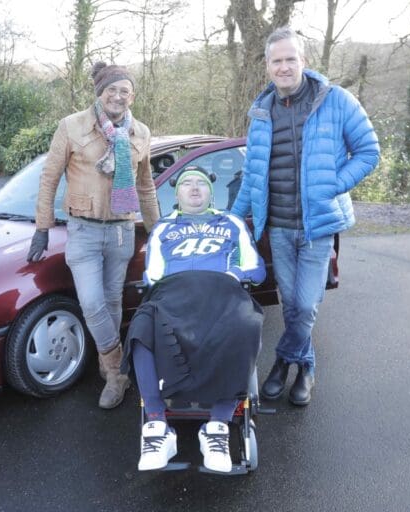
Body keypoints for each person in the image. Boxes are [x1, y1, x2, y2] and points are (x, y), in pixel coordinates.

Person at [230, 27, 380, 406]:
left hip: (318, 226)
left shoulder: (336, 101)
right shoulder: (261, 113)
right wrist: (231, 220)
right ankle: (306, 365)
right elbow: (251, 178)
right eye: (276, 61)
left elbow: (368, 151)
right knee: (291, 303)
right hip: (278, 227)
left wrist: (334, 184)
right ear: (267, 66)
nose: (284, 67)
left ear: (304, 61)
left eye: (290, 59)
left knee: (306, 303)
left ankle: (283, 362)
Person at [26, 62, 160, 409]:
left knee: (114, 302)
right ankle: (117, 372)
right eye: (111, 90)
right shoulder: (71, 126)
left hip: (121, 232)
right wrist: (42, 227)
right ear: (99, 93)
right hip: (83, 230)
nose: (118, 96)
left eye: (124, 91)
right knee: (91, 302)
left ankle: (105, 365)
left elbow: (145, 187)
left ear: (132, 96)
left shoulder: (141, 133)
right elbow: (49, 178)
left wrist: (158, 232)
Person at [121, 165, 266, 473]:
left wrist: (231, 274)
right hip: (175, 295)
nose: (195, 187)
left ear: (210, 192)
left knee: (246, 322)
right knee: (141, 326)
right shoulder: (164, 227)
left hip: (223, 293)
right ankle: (158, 427)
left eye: (201, 183)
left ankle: (218, 426)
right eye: (188, 183)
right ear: (178, 194)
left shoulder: (231, 223)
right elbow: (153, 275)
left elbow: (256, 268)